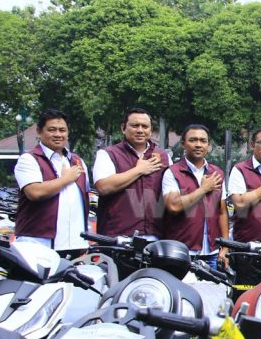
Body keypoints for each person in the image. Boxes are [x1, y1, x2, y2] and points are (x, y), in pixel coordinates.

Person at [13, 108, 89, 257]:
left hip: (74, 243)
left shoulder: (77, 161)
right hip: (39, 243)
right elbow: (35, 192)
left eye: (62, 130)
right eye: (52, 130)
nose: (58, 134)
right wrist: (66, 179)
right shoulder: (30, 159)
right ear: (39, 132)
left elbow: (85, 198)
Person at [92, 107, 169, 239]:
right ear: (123, 128)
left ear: (150, 131)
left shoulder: (163, 156)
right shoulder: (108, 154)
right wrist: (138, 170)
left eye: (145, 126)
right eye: (135, 125)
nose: (140, 130)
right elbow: (103, 187)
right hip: (118, 236)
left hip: (156, 236)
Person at [162, 125, 228, 269]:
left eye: (203, 141)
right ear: (183, 144)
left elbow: (222, 211)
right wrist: (203, 189)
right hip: (182, 253)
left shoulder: (216, 173)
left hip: (212, 252)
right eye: (193, 140)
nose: (198, 144)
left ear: (208, 145)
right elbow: (174, 206)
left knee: (212, 291)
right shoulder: (172, 172)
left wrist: (225, 247)